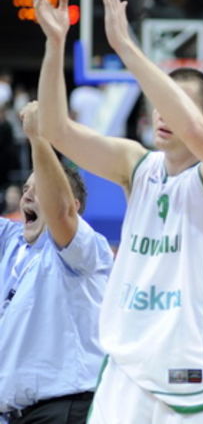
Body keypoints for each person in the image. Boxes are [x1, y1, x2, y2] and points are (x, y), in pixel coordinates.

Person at [34, 0, 203, 421]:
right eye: (157, 104)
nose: (161, 114)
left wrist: (126, 46)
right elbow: (55, 129)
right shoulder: (135, 165)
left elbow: (192, 130)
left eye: (173, 104)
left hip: (193, 372)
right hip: (127, 366)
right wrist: (55, 43)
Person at [0, 102, 112, 423]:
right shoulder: (13, 241)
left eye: (40, 191)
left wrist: (39, 139)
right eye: (26, 189)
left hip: (64, 408)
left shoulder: (84, 248)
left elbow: (60, 212)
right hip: (17, 413)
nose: (27, 196)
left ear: (73, 205)